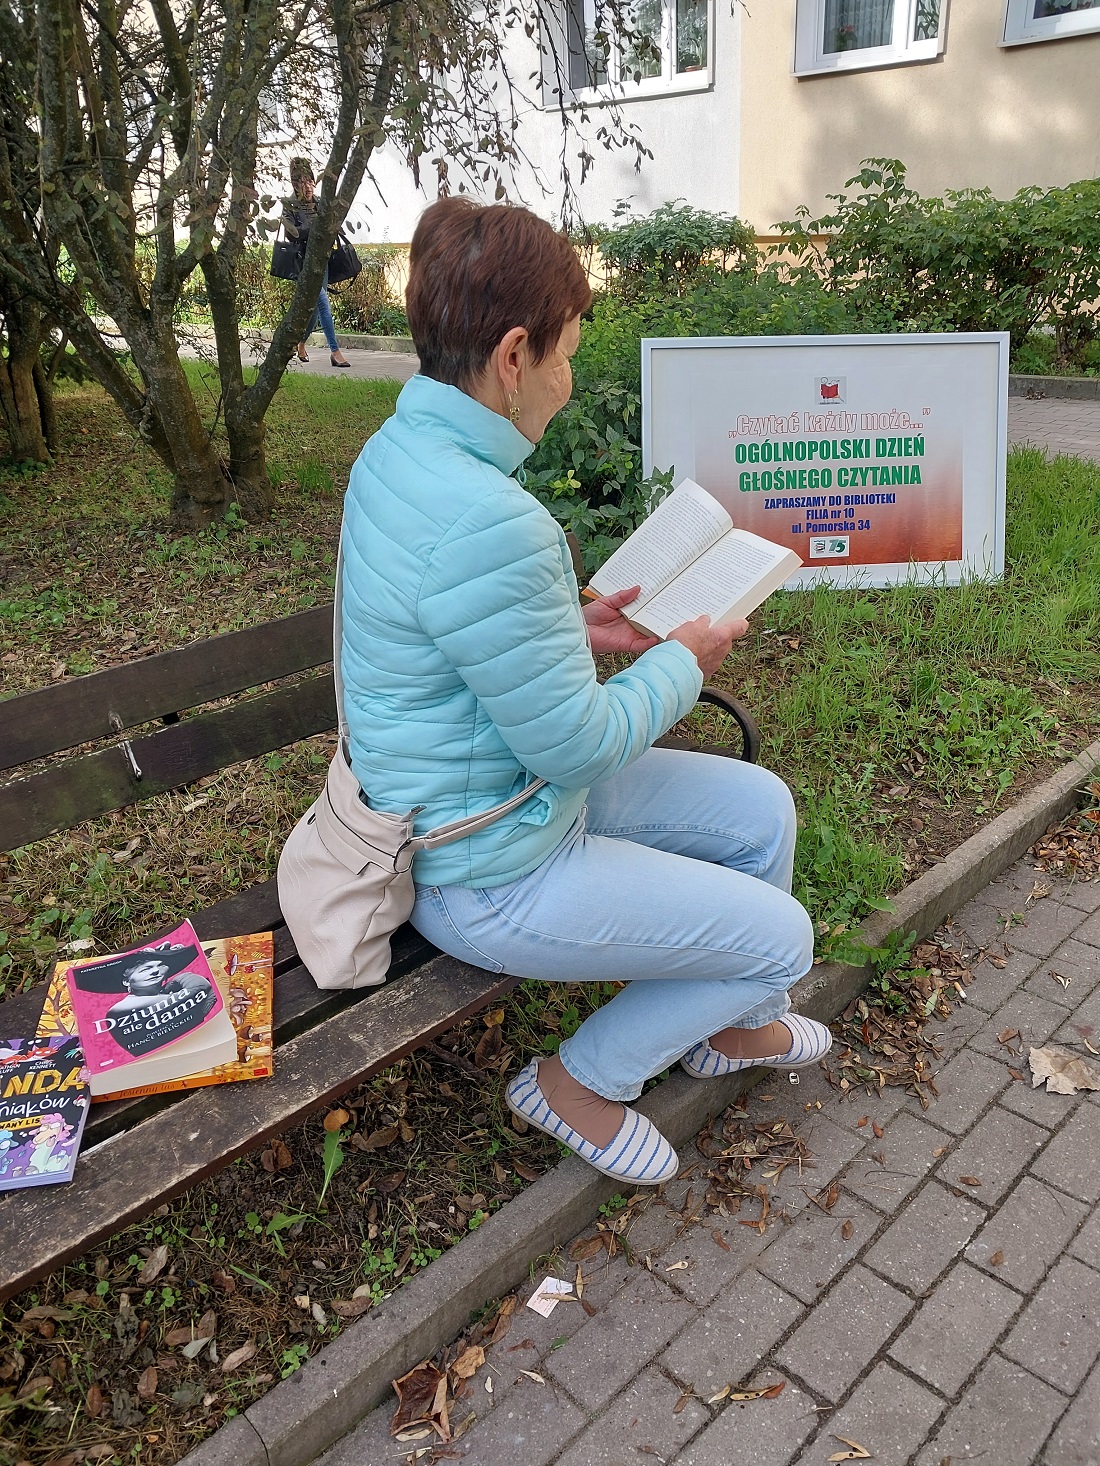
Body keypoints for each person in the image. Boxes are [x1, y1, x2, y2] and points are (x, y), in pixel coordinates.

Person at [338, 198, 829, 1186]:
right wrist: (681, 660)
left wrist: (575, 625)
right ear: (513, 355)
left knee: (761, 809)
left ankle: (725, 1029)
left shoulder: (398, 454)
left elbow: (458, 634)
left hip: (484, 795)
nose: (568, 381)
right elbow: (575, 747)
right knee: (783, 936)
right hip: (486, 865)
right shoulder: (490, 515)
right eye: (564, 354)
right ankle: (574, 1081)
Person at [282, 158, 350, 369]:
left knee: (313, 311)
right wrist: (315, 228)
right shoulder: (290, 206)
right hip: (303, 265)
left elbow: (331, 227)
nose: (308, 187)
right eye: (302, 183)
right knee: (323, 305)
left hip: (323, 262)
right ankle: (335, 351)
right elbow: (291, 234)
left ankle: (301, 342)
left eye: (310, 181)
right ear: (295, 185)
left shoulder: (321, 203)